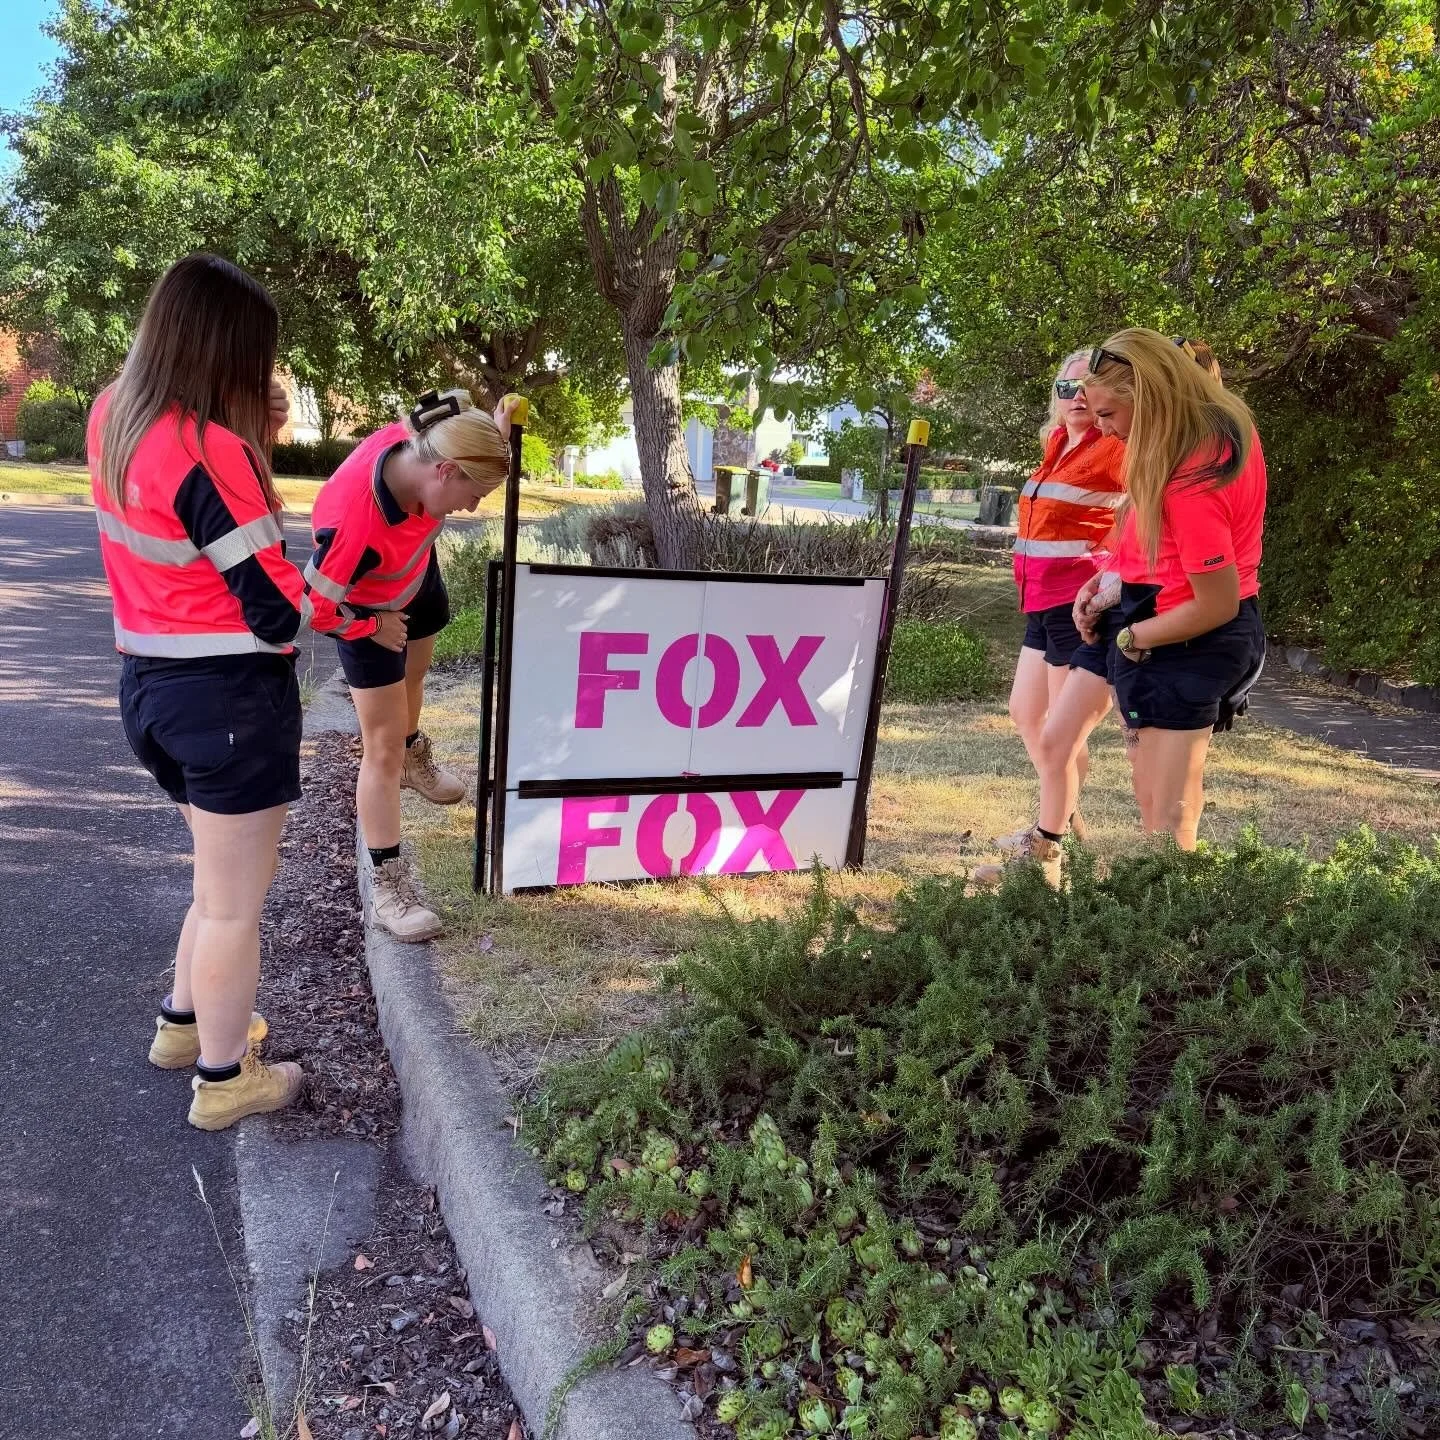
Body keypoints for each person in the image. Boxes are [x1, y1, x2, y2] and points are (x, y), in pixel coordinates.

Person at [90, 253, 378, 1130]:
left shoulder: (114, 414)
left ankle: (183, 1028)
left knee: (215, 886)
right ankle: (225, 1080)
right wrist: (344, 601)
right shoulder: (210, 452)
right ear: (226, 353)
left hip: (150, 688)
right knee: (233, 906)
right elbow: (274, 610)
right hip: (227, 702)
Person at [305, 388, 514, 940]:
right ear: (444, 472)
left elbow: (457, 405)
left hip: (415, 569)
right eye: (475, 493)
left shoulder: (430, 442)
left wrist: (494, 429)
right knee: (379, 747)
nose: (473, 508)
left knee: (416, 677)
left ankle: (413, 756)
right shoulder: (351, 524)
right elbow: (316, 608)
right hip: (367, 603)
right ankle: (388, 888)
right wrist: (371, 625)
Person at [1072, 327, 1266, 848]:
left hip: (1188, 635)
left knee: (1168, 813)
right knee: (1154, 791)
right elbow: (1167, 550)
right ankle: (1160, 908)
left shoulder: (1192, 475)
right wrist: (1112, 580)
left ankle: (1169, 920)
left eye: (1109, 414)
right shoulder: (1218, 432)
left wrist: (1132, 638)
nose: (1105, 430)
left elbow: (1216, 604)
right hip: (1175, 624)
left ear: (1151, 396)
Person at [978, 350, 1125, 881]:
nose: (1077, 399)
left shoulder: (1113, 448)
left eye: (1088, 389)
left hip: (1074, 604)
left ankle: (1054, 843)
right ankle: (1065, 826)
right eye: (1067, 389)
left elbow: (1147, 504)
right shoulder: (1058, 443)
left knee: (1064, 733)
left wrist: (1112, 569)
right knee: (1025, 712)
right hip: (1039, 601)